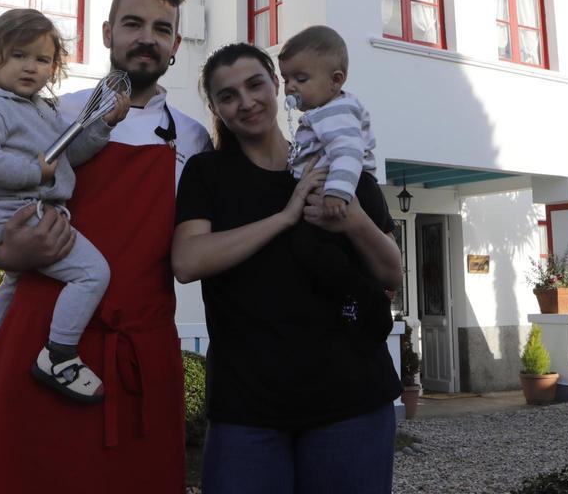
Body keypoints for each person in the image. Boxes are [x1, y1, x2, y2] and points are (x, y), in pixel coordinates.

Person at [0, 0, 212, 493]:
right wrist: (2, 251)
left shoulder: (193, 139)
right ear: (107, 33)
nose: (147, 38)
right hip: (40, 345)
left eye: (162, 29)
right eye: (133, 24)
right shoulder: (56, 112)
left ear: (175, 46)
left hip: (141, 353)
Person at [172, 42, 403, 494]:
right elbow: (187, 261)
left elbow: (391, 272)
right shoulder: (208, 174)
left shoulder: (337, 160)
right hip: (247, 409)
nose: (246, 102)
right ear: (216, 108)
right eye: (228, 96)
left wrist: (353, 218)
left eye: (255, 85)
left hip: (351, 400)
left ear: (277, 85)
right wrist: (284, 217)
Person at [0, 8, 129, 402]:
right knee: (92, 273)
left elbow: (67, 156)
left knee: (15, 281)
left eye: (42, 59)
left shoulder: (40, 108)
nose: (30, 66)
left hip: (25, 210)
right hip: (18, 212)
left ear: (54, 67)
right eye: (19, 55)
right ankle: (59, 354)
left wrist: (103, 125)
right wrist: (34, 171)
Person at [279, 25, 376, 220]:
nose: (290, 87)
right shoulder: (322, 112)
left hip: (346, 190)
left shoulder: (337, 110)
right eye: (286, 80)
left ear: (335, 80)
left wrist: (337, 192)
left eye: (301, 79)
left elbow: (347, 150)